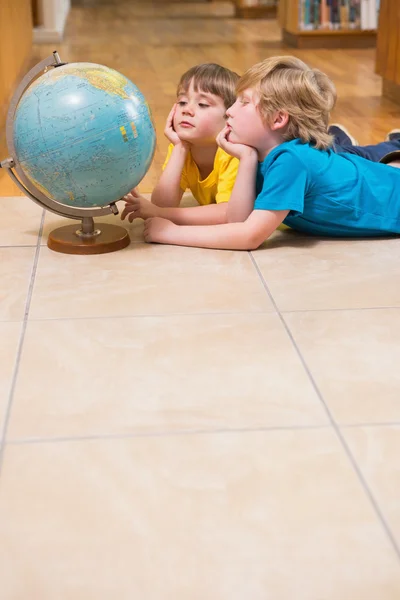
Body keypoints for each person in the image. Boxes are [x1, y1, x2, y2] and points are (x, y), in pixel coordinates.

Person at [131, 55, 400, 251]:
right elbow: (238, 218)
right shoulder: (260, 155)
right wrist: (247, 159)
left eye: (244, 102)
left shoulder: (291, 161)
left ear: (277, 119)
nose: (230, 111)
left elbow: (249, 236)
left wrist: (171, 233)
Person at [121, 63, 247, 227]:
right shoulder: (183, 147)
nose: (187, 110)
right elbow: (161, 204)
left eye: (202, 104)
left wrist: (159, 213)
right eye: (182, 102)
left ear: (230, 116)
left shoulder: (233, 153)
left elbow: (227, 214)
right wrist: (180, 148)